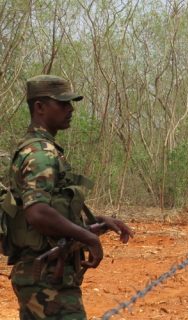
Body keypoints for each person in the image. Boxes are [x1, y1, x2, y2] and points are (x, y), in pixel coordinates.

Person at [4, 75, 134, 319]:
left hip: (43, 276)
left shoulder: (41, 148)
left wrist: (99, 222)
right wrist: (88, 238)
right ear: (40, 108)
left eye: (70, 103)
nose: (70, 109)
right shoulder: (40, 153)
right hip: (47, 282)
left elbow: (52, 212)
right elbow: (37, 213)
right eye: (62, 103)